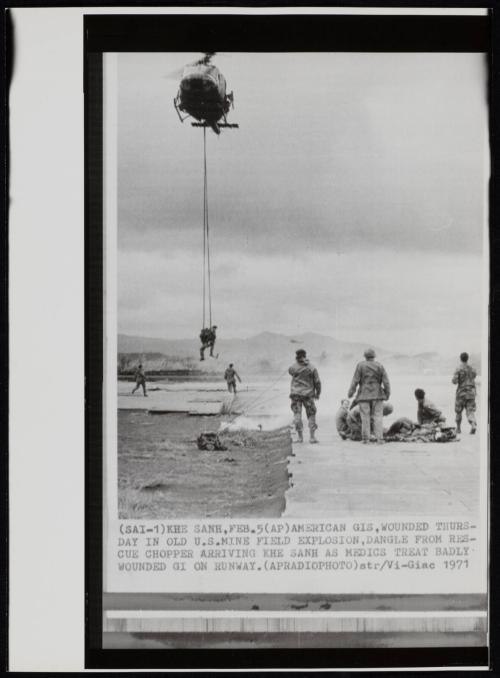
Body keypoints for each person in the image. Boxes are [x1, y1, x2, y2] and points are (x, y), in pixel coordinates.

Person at [347, 348, 390, 444]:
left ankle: (366, 439)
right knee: (378, 416)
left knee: (365, 417)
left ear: (365, 356)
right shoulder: (380, 366)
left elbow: (355, 381)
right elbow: (386, 382)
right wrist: (387, 394)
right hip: (378, 394)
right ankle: (380, 438)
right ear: (374, 356)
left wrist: (350, 393)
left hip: (364, 394)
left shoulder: (360, 365)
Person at [289, 349, 321, 444]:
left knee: (297, 415)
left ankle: (300, 438)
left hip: (296, 395)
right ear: (305, 356)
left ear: (296, 357)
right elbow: (317, 382)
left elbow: (290, 371)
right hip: (308, 395)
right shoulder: (312, 367)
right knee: (311, 414)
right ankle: (312, 437)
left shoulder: (293, 367)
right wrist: (318, 393)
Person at [452, 352, 477, 434]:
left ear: (460, 358)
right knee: (470, 411)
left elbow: (454, 381)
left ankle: (458, 429)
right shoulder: (472, 368)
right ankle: (473, 424)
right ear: (467, 358)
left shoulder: (458, 368)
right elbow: (474, 376)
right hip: (471, 392)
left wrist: (456, 379)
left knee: (458, 411)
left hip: (461, 393)